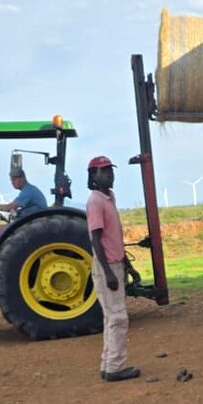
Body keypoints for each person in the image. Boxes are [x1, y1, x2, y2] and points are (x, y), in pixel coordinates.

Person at [86, 156, 139, 382]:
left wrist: (129, 267)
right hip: (107, 265)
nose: (109, 174)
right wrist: (108, 272)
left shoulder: (109, 198)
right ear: (93, 176)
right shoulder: (96, 201)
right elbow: (96, 239)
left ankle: (109, 364)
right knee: (118, 318)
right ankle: (116, 368)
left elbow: (113, 238)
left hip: (116, 263)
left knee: (112, 317)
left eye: (110, 170)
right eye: (103, 171)